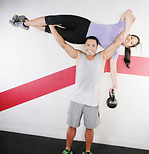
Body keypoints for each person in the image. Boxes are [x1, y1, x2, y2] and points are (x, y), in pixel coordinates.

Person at [43, 22, 130, 154]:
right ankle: (67, 150)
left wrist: (127, 29)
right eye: (88, 45)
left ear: (97, 48)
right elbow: (63, 44)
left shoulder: (102, 57)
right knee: (72, 126)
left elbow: (116, 43)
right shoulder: (78, 55)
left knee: (90, 128)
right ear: (85, 46)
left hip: (91, 102)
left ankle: (87, 152)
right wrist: (51, 27)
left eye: (93, 46)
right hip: (76, 100)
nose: (90, 48)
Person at [9, 10, 140, 94]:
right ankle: (25, 22)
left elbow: (113, 70)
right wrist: (127, 29)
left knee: (52, 30)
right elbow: (129, 12)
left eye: (131, 43)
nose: (129, 39)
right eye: (131, 37)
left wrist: (115, 87)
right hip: (84, 24)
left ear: (129, 47)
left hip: (81, 38)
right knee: (52, 19)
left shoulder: (115, 50)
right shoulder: (121, 26)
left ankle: (23, 22)